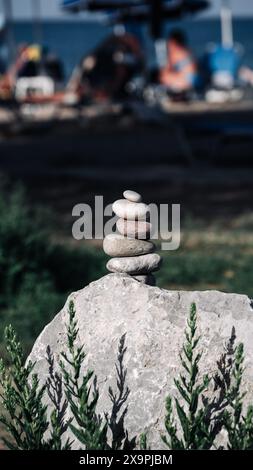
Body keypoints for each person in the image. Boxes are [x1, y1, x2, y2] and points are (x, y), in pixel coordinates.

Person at [159, 29, 198, 94]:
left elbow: (164, 74)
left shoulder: (177, 53)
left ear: (173, 42)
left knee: (164, 77)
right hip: (191, 81)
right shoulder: (188, 52)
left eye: (169, 42)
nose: (168, 44)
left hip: (186, 83)